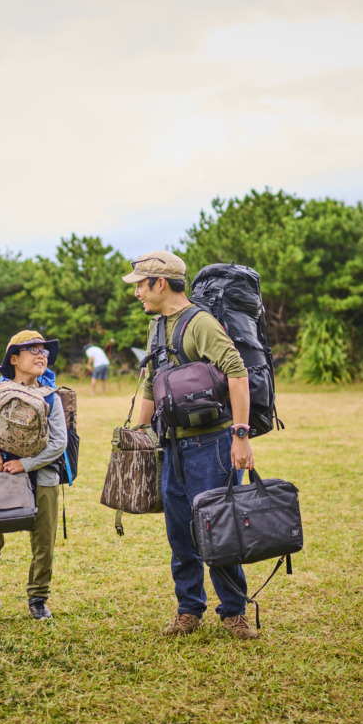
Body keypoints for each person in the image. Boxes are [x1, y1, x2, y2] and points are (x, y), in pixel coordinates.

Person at [123, 250, 259, 640]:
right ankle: (189, 609)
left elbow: (236, 371)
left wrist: (240, 434)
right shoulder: (157, 327)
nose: (137, 294)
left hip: (213, 445)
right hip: (173, 447)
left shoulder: (201, 324)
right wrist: (140, 434)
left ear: (160, 284)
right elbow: (151, 382)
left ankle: (234, 612)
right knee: (180, 533)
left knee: (218, 530)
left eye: (140, 286)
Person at [0, 331, 68, 629]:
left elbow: (59, 443)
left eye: (44, 351)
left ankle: (38, 599)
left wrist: (25, 464)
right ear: (14, 359)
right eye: (32, 350)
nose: (42, 355)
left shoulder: (52, 397)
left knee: (43, 543)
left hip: (44, 477)